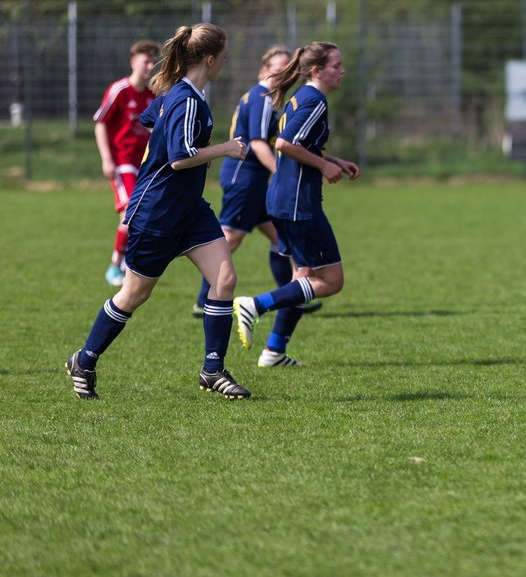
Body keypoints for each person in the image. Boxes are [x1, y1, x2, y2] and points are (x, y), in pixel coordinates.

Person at [66, 24, 251, 400]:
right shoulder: (185, 98)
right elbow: (181, 158)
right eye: (224, 56)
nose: (226, 62)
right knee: (134, 294)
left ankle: (212, 369)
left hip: (190, 209)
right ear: (210, 59)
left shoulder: (181, 93)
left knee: (225, 279)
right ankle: (84, 360)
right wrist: (226, 148)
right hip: (158, 212)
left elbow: (150, 120)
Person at [233, 41, 360, 367]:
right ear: (316, 70)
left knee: (302, 277)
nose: (342, 71)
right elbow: (287, 144)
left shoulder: (300, 97)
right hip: (298, 205)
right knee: (331, 281)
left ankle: (274, 351)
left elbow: (290, 142)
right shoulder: (314, 100)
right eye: (336, 65)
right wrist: (324, 166)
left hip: (283, 200)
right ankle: (255, 305)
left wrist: (333, 159)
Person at [191, 46, 322, 319]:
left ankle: (290, 296)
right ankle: (205, 300)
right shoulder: (263, 97)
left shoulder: (266, 96)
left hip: (256, 180)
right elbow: (258, 143)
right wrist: (281, 171)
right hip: (245, 177)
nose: (282, 73)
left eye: (288, 68)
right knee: (229, 239)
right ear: (264, 70)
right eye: (277, 68)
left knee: (279, 237)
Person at [94, 40, 160, 286]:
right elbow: (100, 122)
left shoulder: (154, 94)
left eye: (154, 61)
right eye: (146, 61)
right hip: (123, 163)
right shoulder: (120, 90)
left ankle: (124, 266)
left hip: (145, 165)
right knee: (130, 212)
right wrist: (107, 158)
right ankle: (114, 267)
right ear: (134, 62)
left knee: (141, 214)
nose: (150, 66)